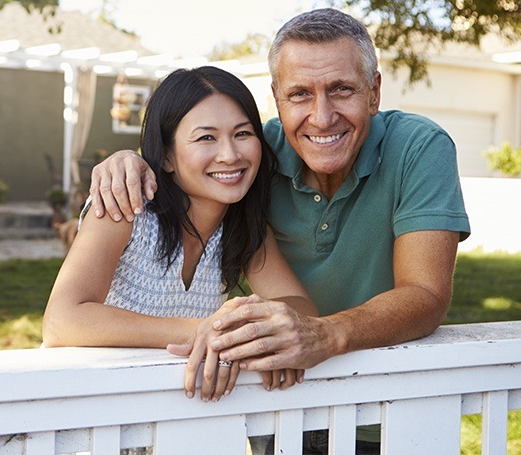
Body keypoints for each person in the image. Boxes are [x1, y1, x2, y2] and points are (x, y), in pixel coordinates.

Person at [89, 8, 471, 452]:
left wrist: (324, 335)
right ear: (277, 98)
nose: (322, 116)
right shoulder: (254, 156)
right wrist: (129, 161)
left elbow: (425, 295)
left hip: (388, 412)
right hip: (281, 404)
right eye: (300, 94)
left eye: (342, 89)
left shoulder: (419, 148)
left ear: (374, 92)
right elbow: (190, 153)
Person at [42, 66, 318, 403]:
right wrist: (209, 331)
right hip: (87, 407)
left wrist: (241, 323)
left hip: (173, 415)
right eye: (206, 137)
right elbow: (61, 321)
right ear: (167, 156)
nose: (230, 155)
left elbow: (304, 310)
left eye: (243, 134)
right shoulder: (127, 207)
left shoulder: (244, 227)